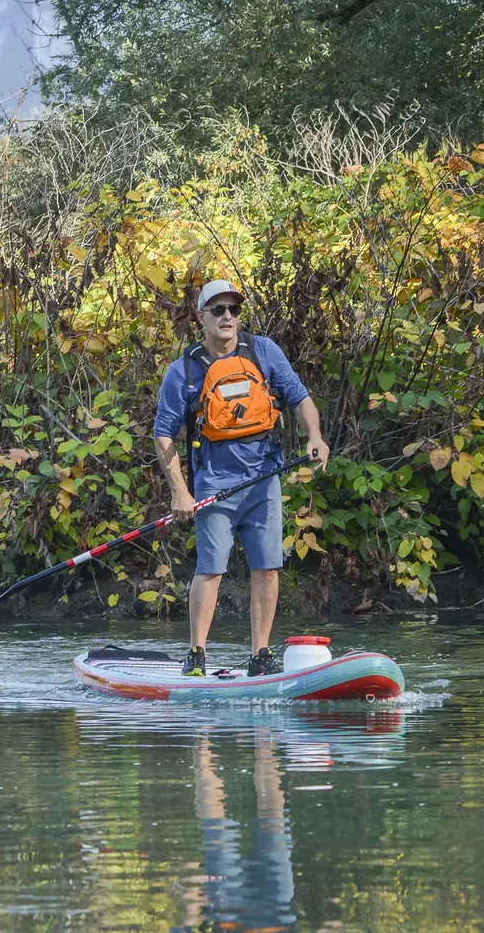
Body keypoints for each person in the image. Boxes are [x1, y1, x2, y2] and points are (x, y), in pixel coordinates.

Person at [153, 279, 329, 678]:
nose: (228, 316)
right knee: (211, 568)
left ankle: (261, 655)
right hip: (214, 485)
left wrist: (314, 436)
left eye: (233, 309)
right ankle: (197, 654)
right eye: (218, 310)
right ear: (201, 317)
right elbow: (163, 432)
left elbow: (299, 397)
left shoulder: (264, 351)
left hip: (265, 477)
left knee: (267, 567)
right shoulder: (183, 371)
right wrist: (180, 491)